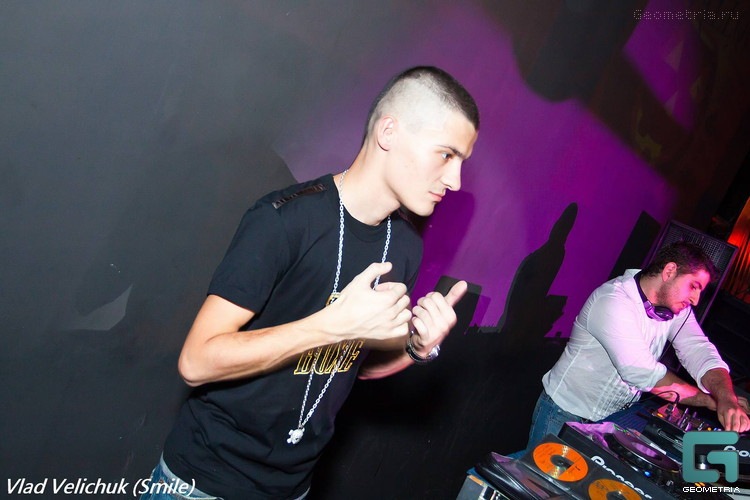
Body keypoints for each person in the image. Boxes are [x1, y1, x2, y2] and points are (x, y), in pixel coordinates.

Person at [141, 66, 480, 500]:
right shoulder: (284, 220)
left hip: (294, 488)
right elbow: (196, 362)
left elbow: (353, 366)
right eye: (446, 155)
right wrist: (331, 325)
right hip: (203, 484)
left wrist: (416, 347)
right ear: (389, 132)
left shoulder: (405, 248)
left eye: (462, 162)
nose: (455, 181)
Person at [520, 241, 750, 454]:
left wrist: (726, 396)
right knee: (541, 482)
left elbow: (698, 350)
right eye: (693, 286)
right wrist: (711, 401)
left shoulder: (677, 310)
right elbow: (641, 372)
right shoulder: (613, 300)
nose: (696, 300)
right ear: (669, 271)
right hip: (565, 415)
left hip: (610, 421)